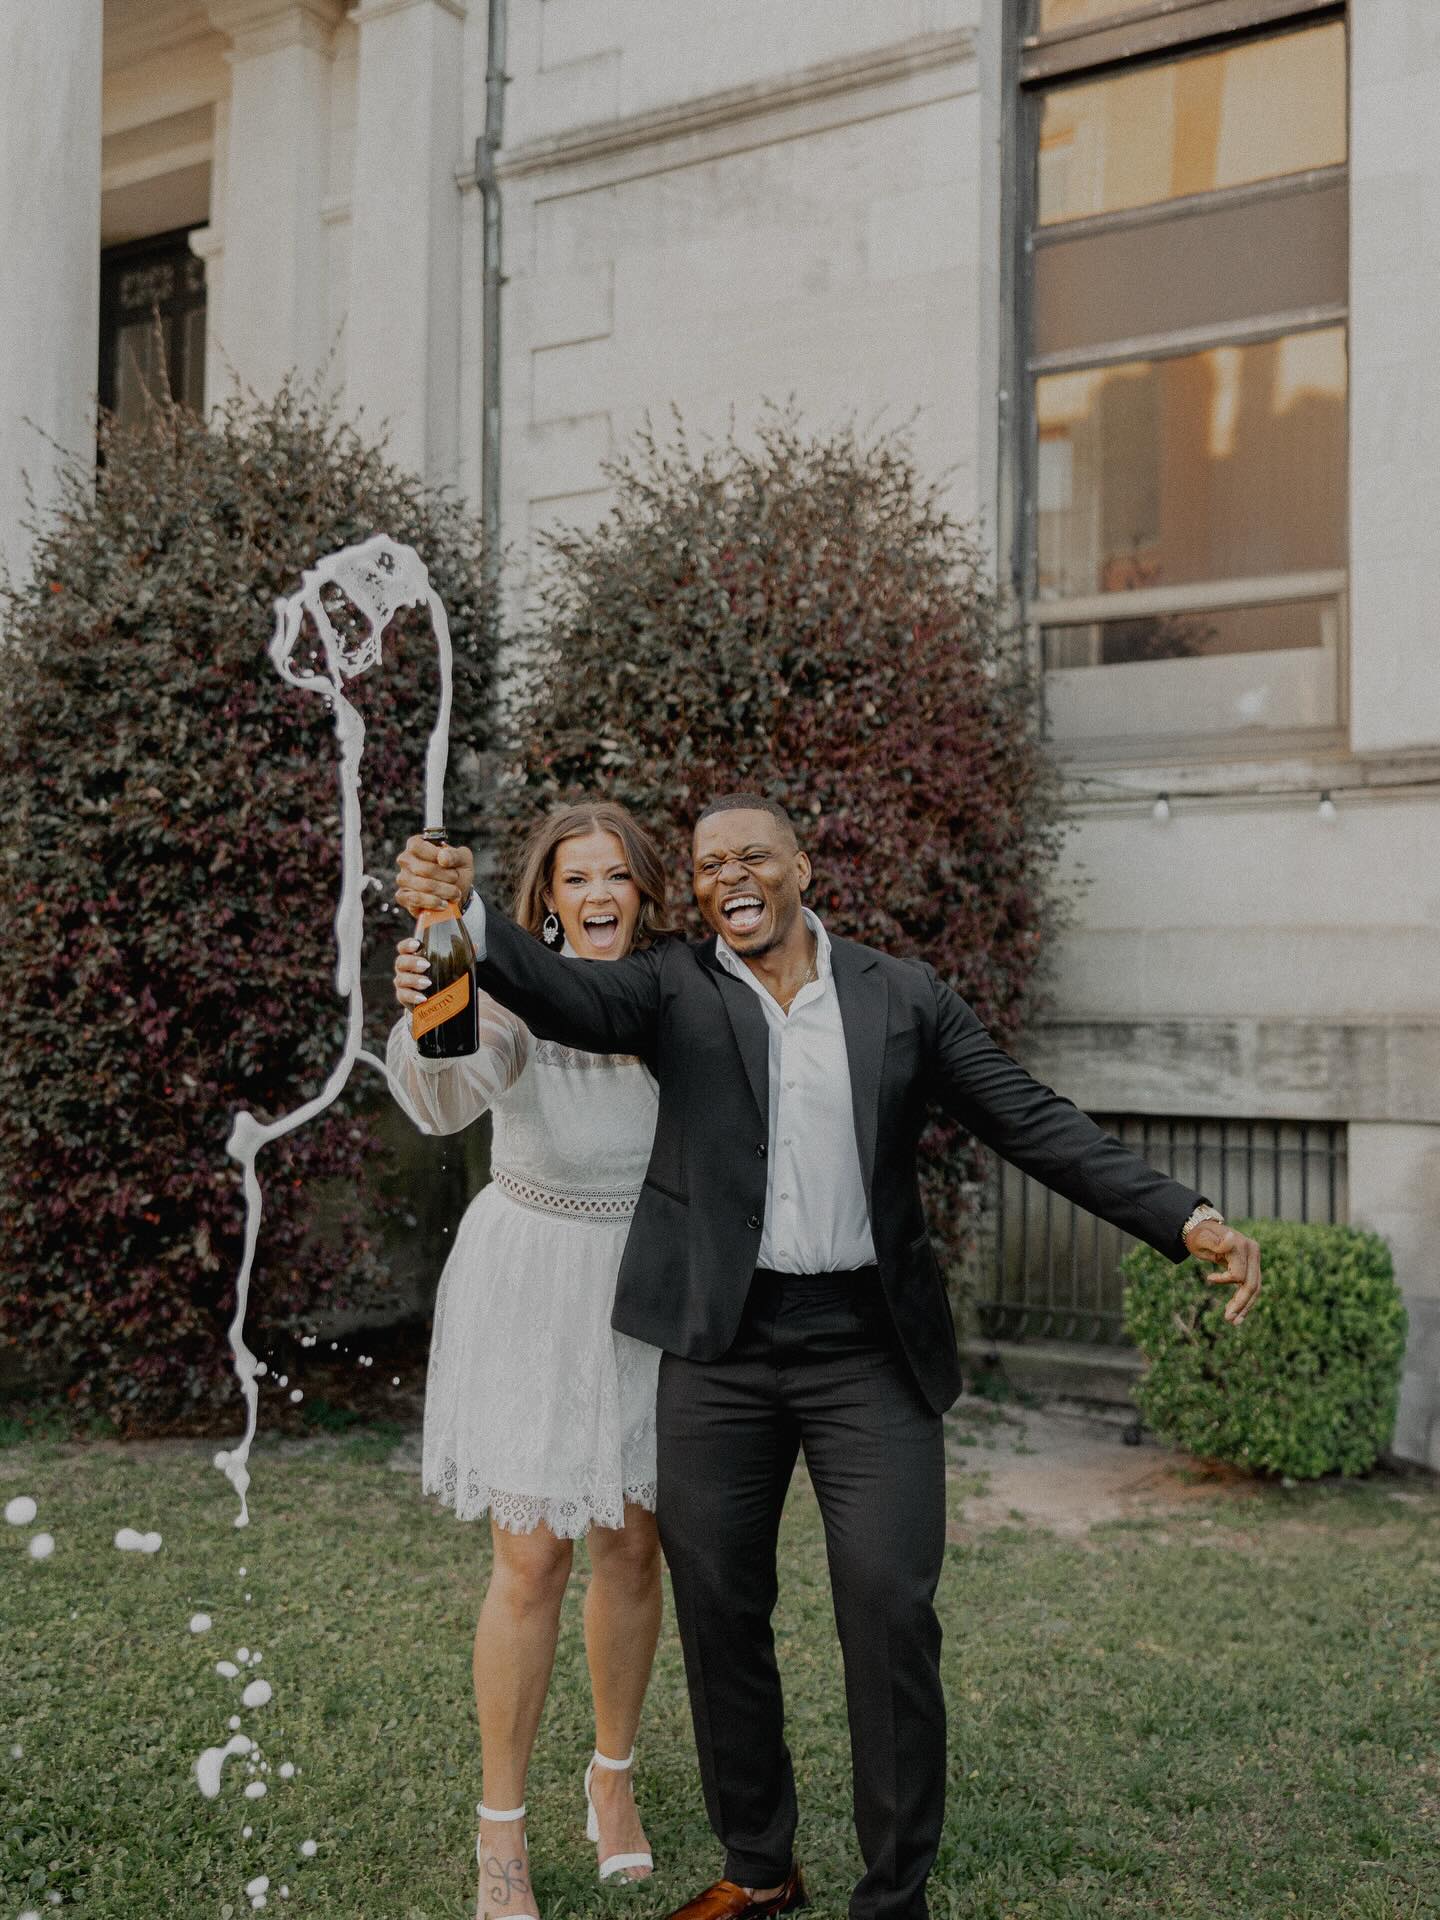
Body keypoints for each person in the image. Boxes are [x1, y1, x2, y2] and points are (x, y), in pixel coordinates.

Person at [394, 793, 1262, 1920]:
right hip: (722, 1346)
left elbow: (1030, 1119)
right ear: (694, 891)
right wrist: (460, 912)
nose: (731, 877)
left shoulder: (901, 997)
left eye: (754, 855)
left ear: (804, 865)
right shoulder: (670, 990)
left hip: (867, 1348)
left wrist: (1181, 1215)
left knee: (889, 1605)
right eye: (710, 866)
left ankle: (891, 1894)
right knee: (717, 1606)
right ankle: (759, 1868)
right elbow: (557, 992)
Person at [387, 801, 675, 1920]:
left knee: (633, 1543)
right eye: (574, 879)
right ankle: (498, 1831)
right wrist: (429, 1014)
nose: (597, 895)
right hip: (532, 1281)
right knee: (532, 1555)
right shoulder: (508, 986)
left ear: (642, 891)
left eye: (615, 876)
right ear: (544, 899)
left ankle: (611, 1782)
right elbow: (458, 1085)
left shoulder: (674, 993)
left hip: (644, 1287)